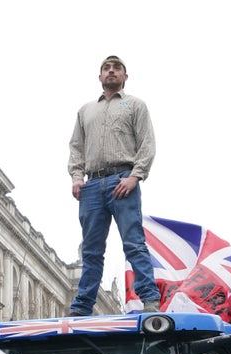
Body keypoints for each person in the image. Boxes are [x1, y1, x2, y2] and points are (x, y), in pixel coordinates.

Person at [68, 55, 160, 316]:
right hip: (92, 184)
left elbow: (147, 144)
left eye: (116, 68)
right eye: (106, 68)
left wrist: (135, 176)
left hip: (123, 181)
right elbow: (76, 147)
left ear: (124, 77)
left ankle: (150, 298)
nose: (111, 71)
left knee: (133, 242)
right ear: (99, 77)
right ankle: (83, 305)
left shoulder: (135, 106)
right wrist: (77, 177)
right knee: (91, 250)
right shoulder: (86, 111)